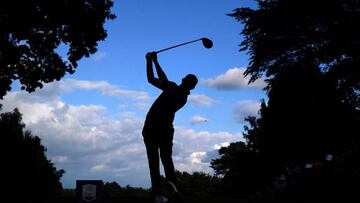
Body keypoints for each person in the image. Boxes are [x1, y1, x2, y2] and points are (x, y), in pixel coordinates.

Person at [142, 52, 198, 203]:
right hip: (166, 129)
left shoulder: (174, 89)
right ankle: (172, 183)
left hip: (151, 127)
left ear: (185, 81)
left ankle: (157, 193)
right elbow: (153, 79)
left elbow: (158, 79)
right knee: (166, 159)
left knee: (153, 161)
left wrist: (153, 61)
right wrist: (151, 61)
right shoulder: (182, 97)